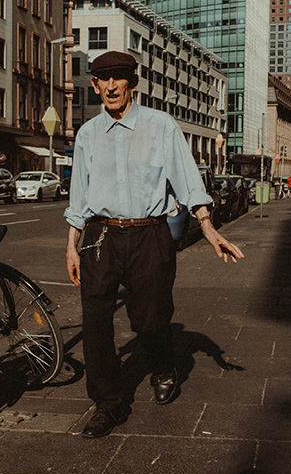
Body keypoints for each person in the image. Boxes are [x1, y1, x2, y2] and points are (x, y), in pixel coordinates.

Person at [65, 51, 245, 438]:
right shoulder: (87, 135)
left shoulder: (160, 126)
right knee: (95, 321)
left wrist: (208, 227)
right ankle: (108, 403)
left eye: (119, 78)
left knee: (149, 319)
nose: (111, 86)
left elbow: (186, 179)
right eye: (103, 79)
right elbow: (78, 198)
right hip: (100, 235)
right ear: (94, 85)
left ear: (133, 83)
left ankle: (163, 365)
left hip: (149, 233)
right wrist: (71, 245)